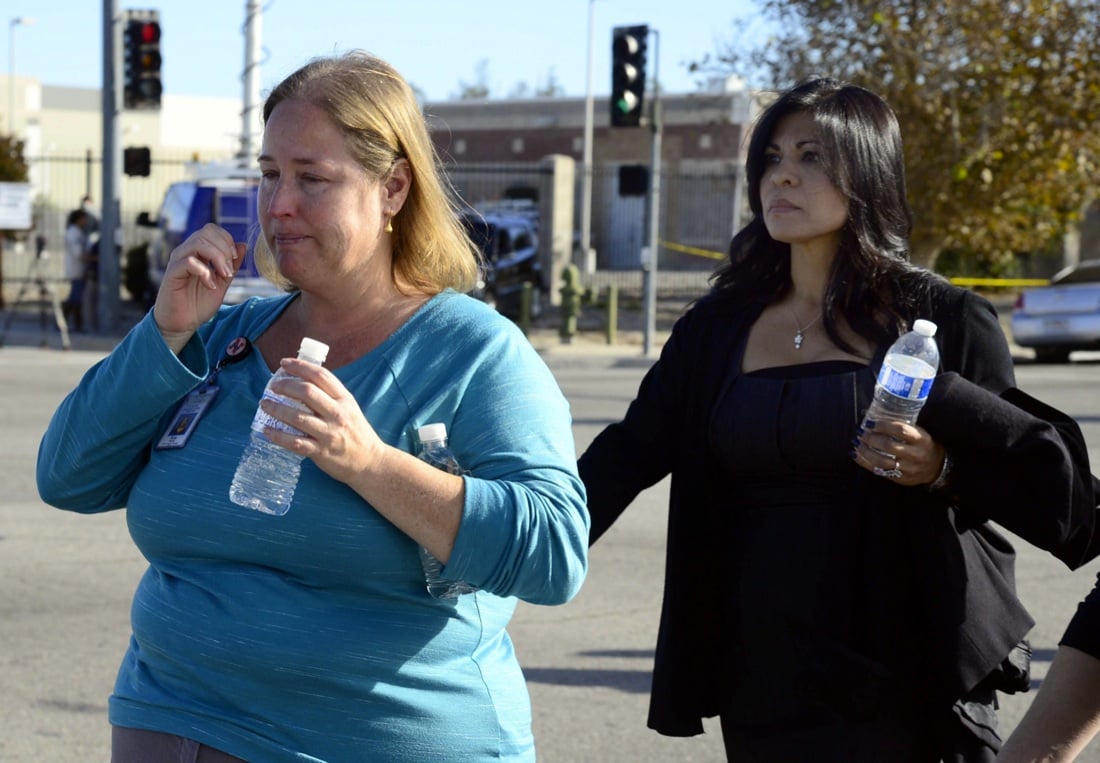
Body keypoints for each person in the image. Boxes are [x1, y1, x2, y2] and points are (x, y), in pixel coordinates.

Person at [37, 50, 589, 763]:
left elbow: (554, 556)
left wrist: (370, 464)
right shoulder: (218, 336)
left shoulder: (474, 351)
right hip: (170, 722)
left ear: (393, 189)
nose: (278, 204)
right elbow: (68, 478)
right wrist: (164, 334)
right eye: (269, 174)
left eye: (311, 178)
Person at [578, 77, 1098, 761]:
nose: (783, 175)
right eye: (771, 157)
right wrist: (507, 542)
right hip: (760, 672)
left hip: (906, 671)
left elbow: (1055, 495)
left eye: (812, 156)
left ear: (867, 174)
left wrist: (943, 467)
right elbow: (627, 453)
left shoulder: (942, 319)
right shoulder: (715, 328)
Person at [61, 207, 90, 332]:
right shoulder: (73, 233)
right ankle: (65, 322)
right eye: (84, 219)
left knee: (76, 297)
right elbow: (78, 253)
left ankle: (72, 323)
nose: (86, 221)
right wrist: (95, 258)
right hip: (76, 269)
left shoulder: (78, 232)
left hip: (79, 269)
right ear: (79, 219)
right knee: (75, 298)